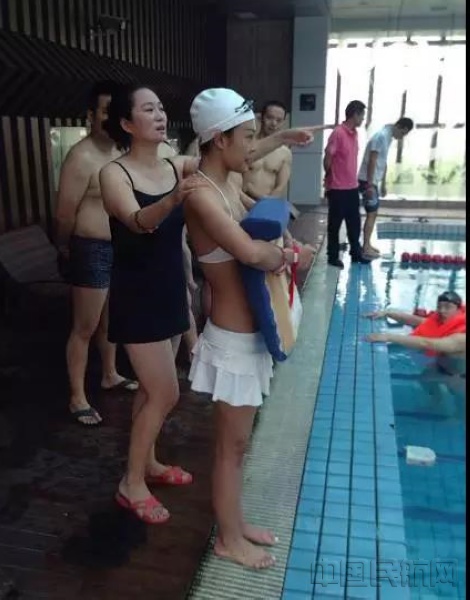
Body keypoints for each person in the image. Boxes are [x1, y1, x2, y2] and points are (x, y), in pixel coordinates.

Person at [99, 83, 324, 526]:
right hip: (137, 290)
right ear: (126, 123)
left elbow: (234, 152)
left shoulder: (174, 163)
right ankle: (132, 483)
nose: (160, 115)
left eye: (161, 107)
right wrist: (173, 199)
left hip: (170, 285)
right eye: (148, 109)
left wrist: (282, 138)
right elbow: (137, 222)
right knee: (164, 391)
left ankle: (149, 462)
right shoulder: (115, 173)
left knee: (153, 390)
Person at [184, 88, 318, 569]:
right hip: (232, 341)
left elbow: (261, 211)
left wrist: (283, 137)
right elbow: (250, 253)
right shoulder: (201, 194)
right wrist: (291, 254)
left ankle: (236, 524)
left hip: (250, 335)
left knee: (239, 445)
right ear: (220, 139)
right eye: (246, 137)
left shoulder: (228, 183)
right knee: (231, 446)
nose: (253, 146)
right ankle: (227, 539)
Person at [55, 81, 137, 427]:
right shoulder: (81, 156)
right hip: (91, 247)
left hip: (120, 246)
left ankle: (109, 373)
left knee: (110, 319)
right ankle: (77, 396)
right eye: (105, 111)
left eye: (117, 111)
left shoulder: (122, 151)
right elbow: (64, 213)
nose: (112, 117)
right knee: (85, 326)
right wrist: (64, 247)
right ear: (91, 115)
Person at [323, 100, 371, 269]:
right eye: (362, 116)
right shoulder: (338, 133)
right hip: (337, 188)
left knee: (354, 224)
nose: (363, 119)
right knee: (335, 225)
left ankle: (356, 254)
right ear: (355, 114)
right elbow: (328, 158)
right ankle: (332, 256)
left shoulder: (354, 134)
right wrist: (330, 178)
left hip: (352, 187)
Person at [358, 117, 414, 257]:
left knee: (373, 213)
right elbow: (372, 160)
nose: (402, 137)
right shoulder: (381, 136)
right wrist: (370, 185)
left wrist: (382, 183)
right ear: (399, 126)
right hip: (367, 181)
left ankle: (367, 244)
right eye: (403, 133)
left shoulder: (387, 137)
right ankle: (365, 246)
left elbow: (382, 161)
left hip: (372, 181)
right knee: (371, 213)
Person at [364, 291, 466, 355]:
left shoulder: (462, 338)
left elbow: (427, 343)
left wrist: (388, 337)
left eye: (448, 307)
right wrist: (387, 313)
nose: (442, 311)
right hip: (440, 368)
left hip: (456, 377)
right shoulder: (442, 322)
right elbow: (413, 320)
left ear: (459, 310)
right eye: (439, 307)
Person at [242, 101, 292, 201]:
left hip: (268, 202)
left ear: (283, 122)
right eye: (269, 118)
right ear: (261, 118)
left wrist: (267, 201)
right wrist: (261, 198)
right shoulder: (247, 145)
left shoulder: (285, 152)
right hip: (243, 201)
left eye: (279, 120)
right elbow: (240, 181)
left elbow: (281, 186)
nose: (274, 123)